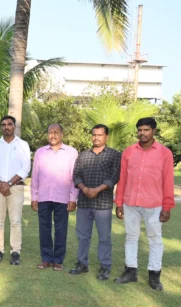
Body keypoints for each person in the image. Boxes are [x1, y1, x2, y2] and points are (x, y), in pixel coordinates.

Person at [114, 117, 174, 291]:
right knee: (131, 237)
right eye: (140, 130)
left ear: (154, 131)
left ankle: (154, 276)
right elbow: (122, 179)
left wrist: (167, 207)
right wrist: (119, 202)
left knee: (155, 239)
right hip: (130, 203)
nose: (142, 133)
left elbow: (168, 181)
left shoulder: (165, 153)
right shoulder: (128, 152)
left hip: (154, 204)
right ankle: (130, 272)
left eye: (146, 129)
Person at [69, 124, 121, 280]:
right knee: (83, 236)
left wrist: (97, 190)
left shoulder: (114, 155)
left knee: (104, 238)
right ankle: (82, 264)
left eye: (100, 135)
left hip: (103, 204)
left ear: (106, 136)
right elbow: (76, 175)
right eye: (94, 134)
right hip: (84, 203)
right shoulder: (83, 155)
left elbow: (114, 176)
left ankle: (105, 267)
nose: (96, 137)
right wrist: (85, 189)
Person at [31, 124, 79, 271]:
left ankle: (58, 260)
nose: (53, 135)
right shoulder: (40, 152)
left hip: (63, 198)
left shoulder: (71, 152)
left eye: (56, 132)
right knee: (44, 229)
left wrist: (73, 198)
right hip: (44, 197)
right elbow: (35, 175)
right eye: (50, 132)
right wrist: (34, 196)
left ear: (62, 134)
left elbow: (75, 176)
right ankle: (46, 259)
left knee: (61, 229)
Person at [0, 115, 31, 266]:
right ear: (1, 127)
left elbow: (25, 167)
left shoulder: (22, 145)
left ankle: (15, 252)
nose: (6, 127)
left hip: (16, 187)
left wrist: (9, 184)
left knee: (15, 221)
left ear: (14, 126)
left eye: (9, 124)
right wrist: (1, 185)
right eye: (3, 125)